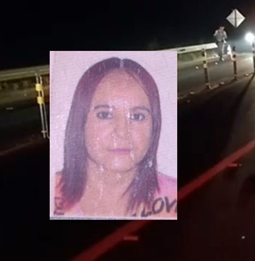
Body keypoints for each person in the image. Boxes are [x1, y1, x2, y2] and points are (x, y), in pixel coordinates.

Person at [53, 57, 177, 219]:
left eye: (137, 116)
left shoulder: (177, 195)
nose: (122, 131)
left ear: (154, 126)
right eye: (105, 115)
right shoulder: (51, 192)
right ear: (80, 122)